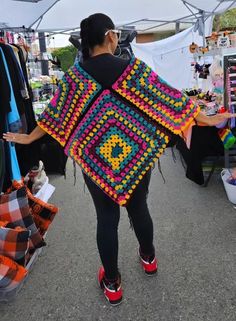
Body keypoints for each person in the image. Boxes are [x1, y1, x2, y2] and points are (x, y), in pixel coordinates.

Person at [4, 13, 235, 306]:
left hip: (95, 158)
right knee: (139, 207)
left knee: (107, 218)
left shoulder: (74, 79)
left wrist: (26, 138)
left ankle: (112, 283)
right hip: (136, 156)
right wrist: (209, 117)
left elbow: (52, 118)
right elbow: (174, 102)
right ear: (111, 36)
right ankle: (148, 258)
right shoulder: (133, 69)